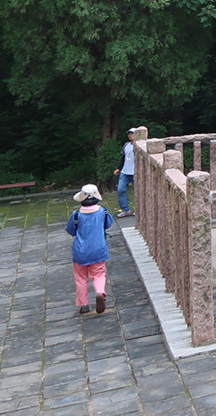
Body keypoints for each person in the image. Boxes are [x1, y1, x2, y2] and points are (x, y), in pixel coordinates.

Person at [66, 184, 114, 314]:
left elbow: (71, 230)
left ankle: (84, 305)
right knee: (99, 274)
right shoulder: (103, 212)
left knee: (81, 278)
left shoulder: (76, 215)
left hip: (80, 251)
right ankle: (100, 293)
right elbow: (108, 224)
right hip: (98, 249)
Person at [113, 128, 136, 218]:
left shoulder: (141, 146)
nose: (130, 135)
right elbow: (123, 158)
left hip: (135, 172)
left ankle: (139, 210)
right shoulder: (126, 145)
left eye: (132, 133)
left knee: (138, 192)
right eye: (129, 134)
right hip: (125, 172)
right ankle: (125, 209)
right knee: (120, 190)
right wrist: (119, 168)